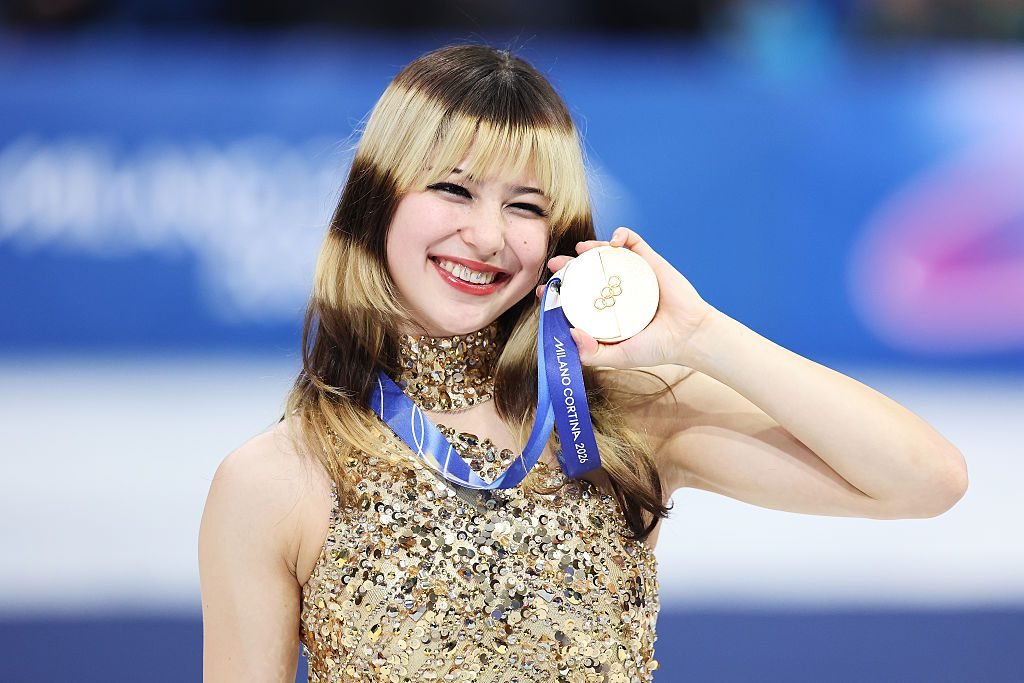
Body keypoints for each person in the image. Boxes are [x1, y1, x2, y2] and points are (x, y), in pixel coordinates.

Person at [198, 44, 968, 682]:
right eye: (454, 190)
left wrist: (703, 335)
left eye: (525, 206)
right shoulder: (277, 479)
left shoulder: (624, 418)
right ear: (377, 201)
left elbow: (927, 478)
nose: (488, 236)